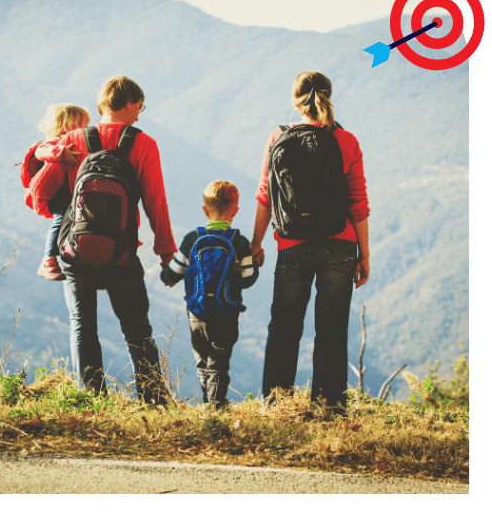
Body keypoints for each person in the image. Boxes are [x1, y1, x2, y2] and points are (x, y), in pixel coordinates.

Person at [250, 70, 370, 413]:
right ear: (329, 96)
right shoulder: (346, 140)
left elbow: (265, 196)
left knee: (284, 324)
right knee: (331, 327)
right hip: (340, 244)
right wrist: (364, 253)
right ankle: (330, 406)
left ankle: (275, 404)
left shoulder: (277, 137)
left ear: (295, 101)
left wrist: (256, 244)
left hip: (291, 245)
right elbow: (357, 201)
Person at [57, 76, 178, 405]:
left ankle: (94, 400)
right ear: (127, 103)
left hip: (77, 251)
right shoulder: (144, 144)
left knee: (82, 323)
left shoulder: (73, 140)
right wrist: (166, 251)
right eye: (139, 106)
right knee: (137, 327)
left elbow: (56, 195)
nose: (140, 114)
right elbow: (156, 202)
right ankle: (153, 400)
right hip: (121, 255)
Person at [161, 180, 260, 409]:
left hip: (197, 313)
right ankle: (216, 405)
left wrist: (166, 276)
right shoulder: (240, 242)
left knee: (202, 362)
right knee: (219, 363)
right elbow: (248, 280)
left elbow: (172, 274)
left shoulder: (191, 239)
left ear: (205, 210)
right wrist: (255, 264)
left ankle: (209, 402)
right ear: (235, 210)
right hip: (227, 313)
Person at [33, 104, 90, 281]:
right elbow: (40, 151)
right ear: (66, 124)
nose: (84, 129)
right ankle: (48, 259)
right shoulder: (54, 142)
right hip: (59, 191)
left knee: (74, 222)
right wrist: (61, 152)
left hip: (74, 190)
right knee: (60, 220)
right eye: (81, 124)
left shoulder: (80, 142)